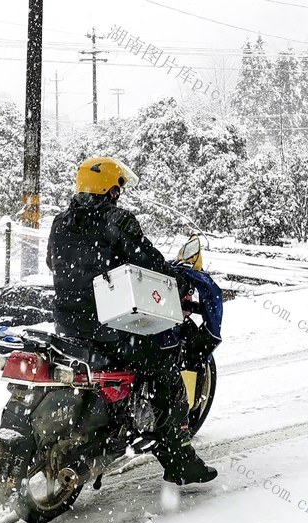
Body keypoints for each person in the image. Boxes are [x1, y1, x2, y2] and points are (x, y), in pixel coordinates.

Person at [45, 156, 217, 485]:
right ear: (110, 188)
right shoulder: (118, 220)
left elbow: (56, 264)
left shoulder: (60, 222)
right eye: (117, 189)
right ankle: (180, 461)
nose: (118, 195)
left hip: (68, 327)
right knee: (167, 376)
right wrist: (178, 282)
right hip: (112, 329)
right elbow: (150, 263)